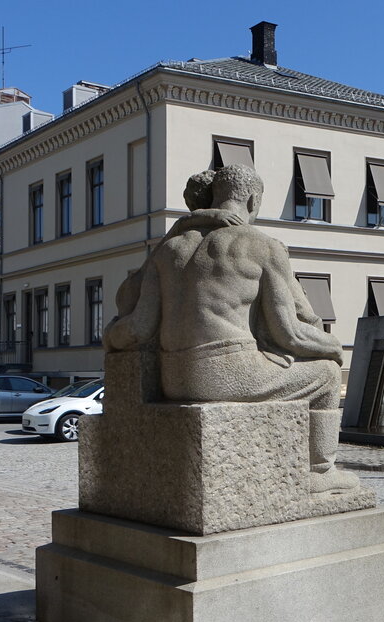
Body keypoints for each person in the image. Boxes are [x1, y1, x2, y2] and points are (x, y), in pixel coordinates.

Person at [104, 164, 357, 494]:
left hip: (175, 379)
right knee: (325, 375)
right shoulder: (262, 245)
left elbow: (138, 327)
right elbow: (289, 334)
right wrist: (333, 347)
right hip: (228, 374)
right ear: (253, 200)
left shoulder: (170, 250)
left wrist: (108, 337)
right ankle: (320, 472)